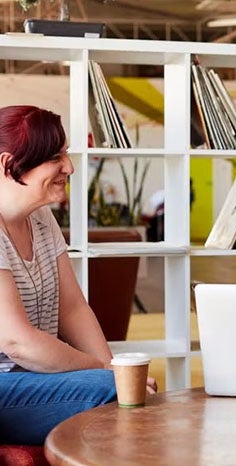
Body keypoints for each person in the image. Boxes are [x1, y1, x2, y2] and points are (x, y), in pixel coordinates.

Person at [0, 105, 156, 445]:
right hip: (4, 385)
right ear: (9, 165)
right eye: (55, 157)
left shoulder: (42, 220)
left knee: (128, 387)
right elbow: (17, 343)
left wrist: (115, 370)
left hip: (33, 380)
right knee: (110, 391)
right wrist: (103, 372)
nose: (69, 167)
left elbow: (73, 308)